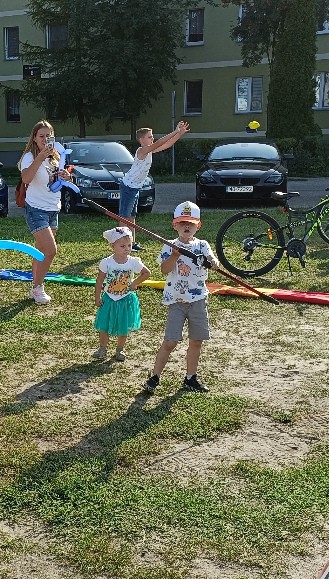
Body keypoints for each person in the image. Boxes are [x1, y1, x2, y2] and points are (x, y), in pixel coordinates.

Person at [143, 201, 215, 394]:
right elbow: (164, 270)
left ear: (198, 226)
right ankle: (154, 376)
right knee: (170, 341)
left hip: (198, 299)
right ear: (174, 225)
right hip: (176, 301)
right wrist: (174, 256)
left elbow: (213, 263)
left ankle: (190, 377)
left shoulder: (203, 245)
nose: (186, 226)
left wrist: (212, 262)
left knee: (197, 340)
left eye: (190, 223)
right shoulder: (169, 246)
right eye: (182, 222)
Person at [17, 120, 70, 305]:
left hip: (52, 208)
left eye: (49, 136)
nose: (46, 139)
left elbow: (55, 181)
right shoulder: (29, 157)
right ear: (34, 138)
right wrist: (40, 157)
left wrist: (65, 177)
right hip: (36, 209)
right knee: (50, 251)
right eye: (42, 136)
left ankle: (35, 286)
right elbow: (26, 178)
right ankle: (38, 287)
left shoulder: (55, 156)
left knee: (40, 250)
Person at [120, 122, 190, 250]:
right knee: (124, 217)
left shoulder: (149, 151)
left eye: (152, 137)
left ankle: (132, 243)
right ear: (141, 139)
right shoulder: (141, 150)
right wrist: (175, 131)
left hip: (135, 188)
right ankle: (121, 244)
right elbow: (158, 144)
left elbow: (167, 144)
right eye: (150, 137)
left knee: (131, 216)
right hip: (128, 187)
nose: (152, 139)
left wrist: (179, 133)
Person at [93, 227, 150, 362]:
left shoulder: (133, 261)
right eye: (122, 246)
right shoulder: (106, 262)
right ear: (113, 246)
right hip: (109, 298)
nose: (127, 248)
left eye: (129, 245)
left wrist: (135, 282)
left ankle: (120, 349)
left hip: (125, 299)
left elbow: (147, 273)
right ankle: (102, 348)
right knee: (104, 325)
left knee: (123, 326)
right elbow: (100, 280)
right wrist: (97, 297)